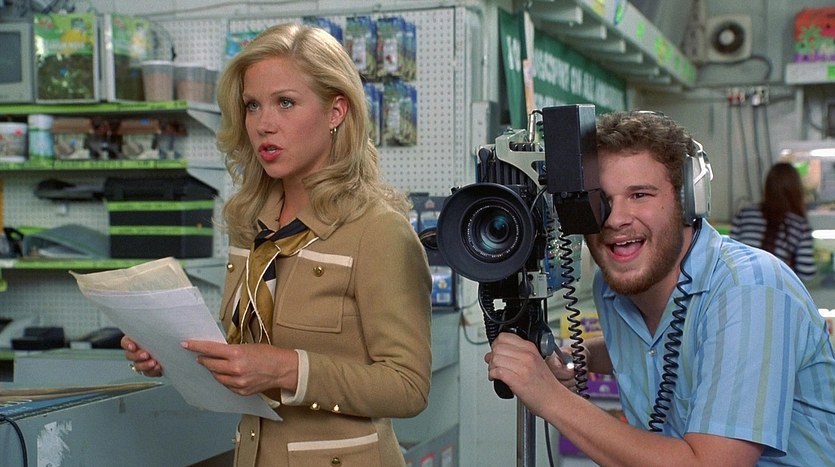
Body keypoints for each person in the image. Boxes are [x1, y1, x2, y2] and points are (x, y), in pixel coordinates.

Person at [122, 23, 433, 467]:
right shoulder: (250, 223)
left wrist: (287, 369)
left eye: (285, 102)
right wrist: (171, 352)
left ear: (336, 111)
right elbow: (247, 356)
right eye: (252, 105)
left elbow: (408, 386)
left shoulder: (379, 231)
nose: (263, 125)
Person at [485, 111, 835, 466]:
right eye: (599, 199)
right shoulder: (613, 285)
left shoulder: (749, 290)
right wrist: (582, 356)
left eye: (640, 195)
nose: (615, 219)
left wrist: (550, 399)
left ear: (690, 200)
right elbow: (656, 345)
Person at [730, 162, 817, 282]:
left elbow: (730, 254)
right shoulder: (800, 225)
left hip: (738, 285)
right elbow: (807, 273)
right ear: (796, 190)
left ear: (767, 187)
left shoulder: (744, 213)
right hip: (775, 289)